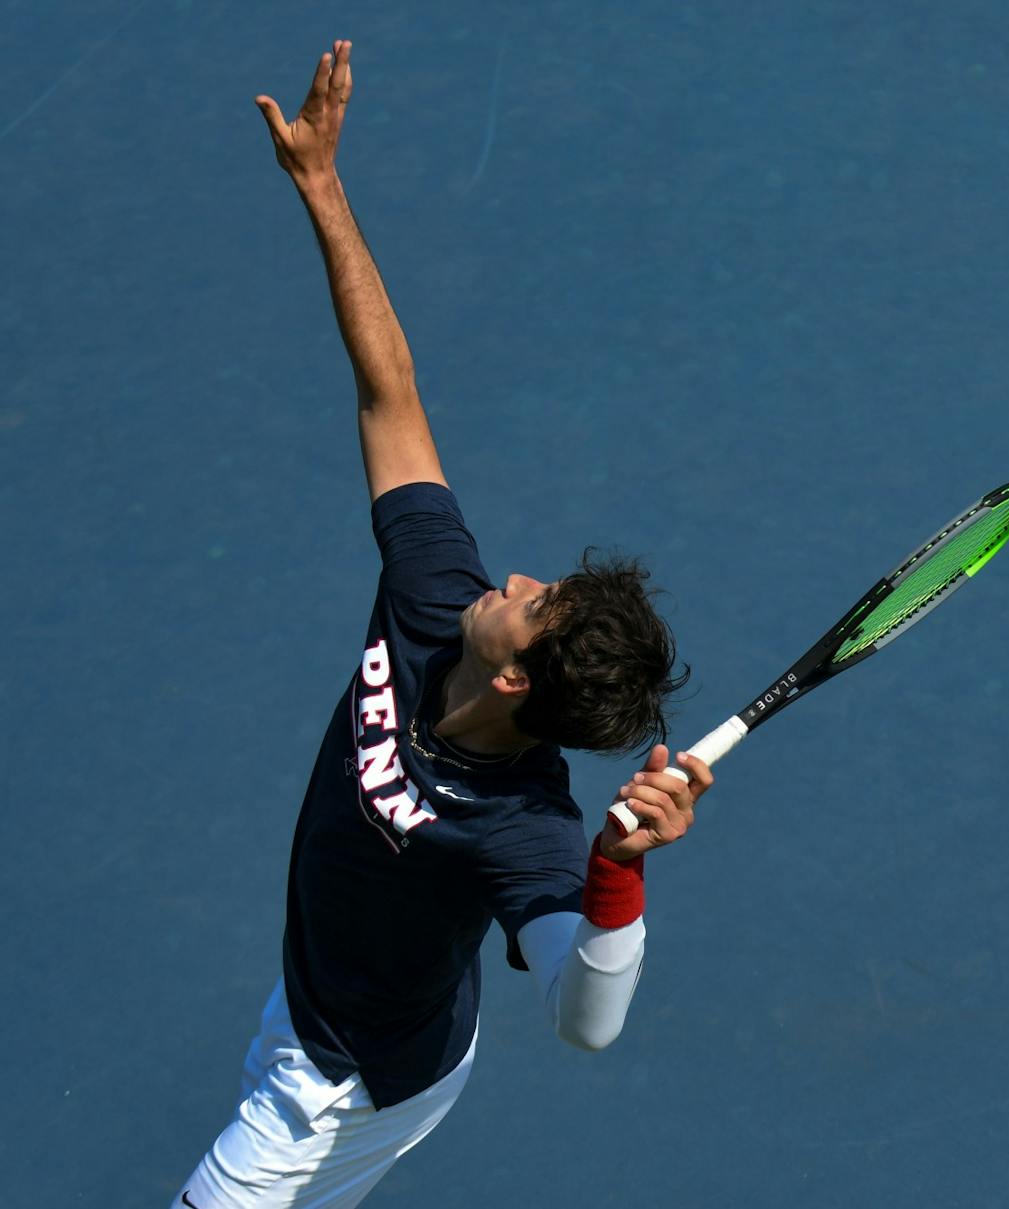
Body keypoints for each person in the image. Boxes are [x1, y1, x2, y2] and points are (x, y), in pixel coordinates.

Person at [171, 40, 711, 1208]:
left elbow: (587, 1024)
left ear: (516, 678)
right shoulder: (433, 597)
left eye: (529, 605)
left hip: (349, 1086)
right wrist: (323, 189)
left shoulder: (522, 832)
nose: (508, 578)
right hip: (314, 994)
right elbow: (390, 391)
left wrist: (615, 867)